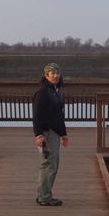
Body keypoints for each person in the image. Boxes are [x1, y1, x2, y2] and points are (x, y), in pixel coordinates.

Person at [32, 62, 69, 206]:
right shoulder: (42, 93)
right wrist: (39, 135)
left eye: (58, 73)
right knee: (49, 165)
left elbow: (58, 116)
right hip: (46, 133)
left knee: (51, 164)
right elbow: (37, 115)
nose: (56, 76)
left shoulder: (56, 91)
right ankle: (45, 198)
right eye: (53, 73)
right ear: (46, 75)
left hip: (54, 132)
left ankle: (42, 194)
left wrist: (63, 134)